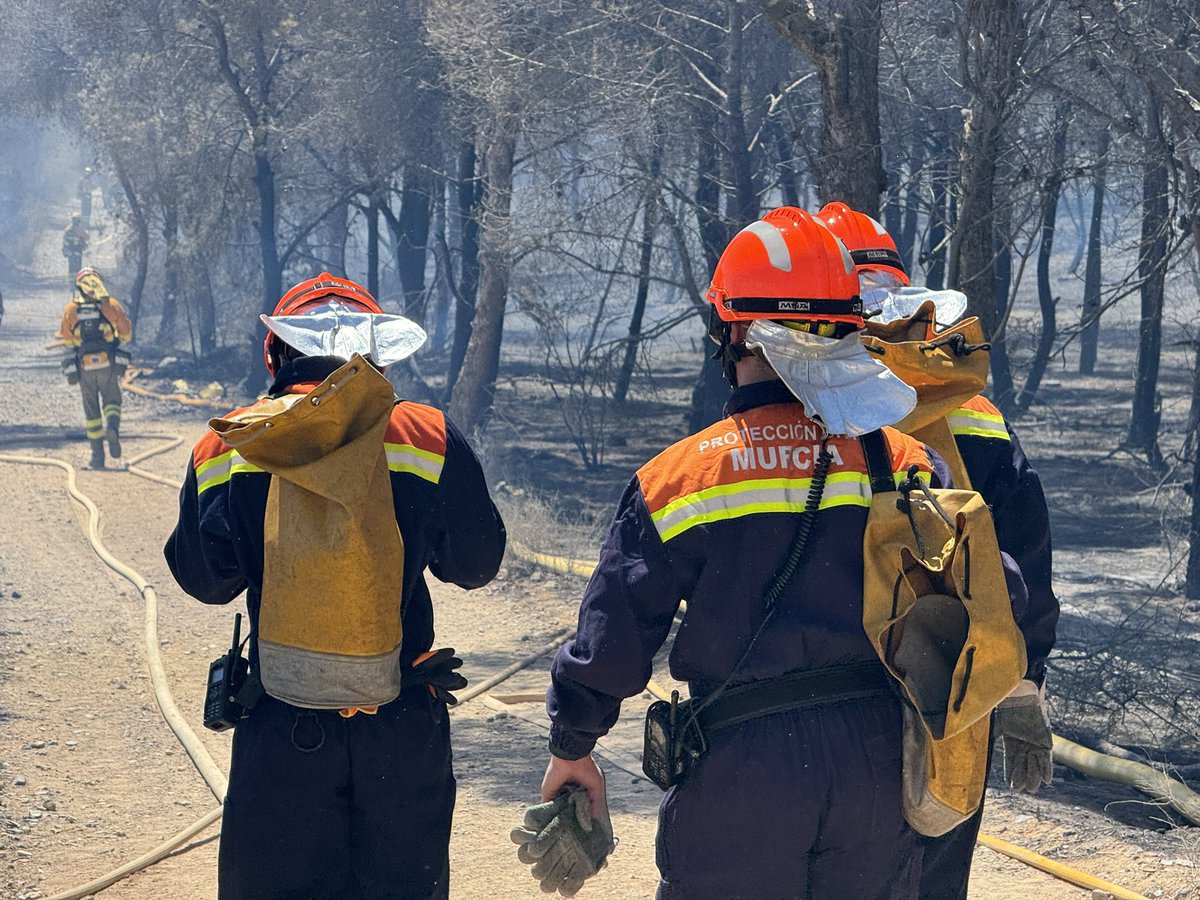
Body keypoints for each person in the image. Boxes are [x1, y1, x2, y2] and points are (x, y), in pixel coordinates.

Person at [531, 207, 993, 899]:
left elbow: (614, 636)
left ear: (732, 329)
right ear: (850, 327)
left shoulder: (679, 479)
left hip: (741, 769)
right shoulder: (911, 462)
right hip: (876, 766)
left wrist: (574, 745)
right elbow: (987, 594)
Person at [164, 273, 506, 900]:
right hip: (402, 722)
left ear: (276, 354)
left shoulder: (229, 442)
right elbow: (477, 564)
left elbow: (203, 579)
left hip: (280, 723)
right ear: (376, 356)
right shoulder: (427, 436)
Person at [815, 201, 1059, 900]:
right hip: (947, 703)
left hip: (818, 711)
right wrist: (1023, 683)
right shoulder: (973, 413)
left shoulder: (801, 410)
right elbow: (1021, 561)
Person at [57, 268, 132, 469]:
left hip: (84, 366)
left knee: (91, 411)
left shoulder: (71, 309)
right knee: (113, 401)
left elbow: (67, 341)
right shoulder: (112, 305)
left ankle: (97, 457)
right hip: (108, 363)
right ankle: (112, 428)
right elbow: (126, 335)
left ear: (80, 287)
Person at [61, 213, 89, 279]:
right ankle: (77, 280)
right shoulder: (80, 230)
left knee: (71, 267)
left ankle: (71, 281)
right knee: (78, 268)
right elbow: (87, 237)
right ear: (79, 221)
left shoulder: (67, 229)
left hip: (70, 252)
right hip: (78, 251)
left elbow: (64, 240)